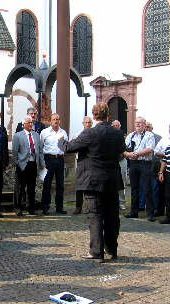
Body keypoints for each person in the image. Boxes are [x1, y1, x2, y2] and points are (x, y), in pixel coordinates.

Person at [60, 102, 125, 263]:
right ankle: (111, 249)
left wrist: (61, 140)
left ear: (94, 116)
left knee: (95, 216)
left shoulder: (90, 133)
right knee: (112, 216)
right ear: (108, 115)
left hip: (92, 181)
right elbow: (121, 153)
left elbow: (69, 147)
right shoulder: (117, 133)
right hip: (111, 180)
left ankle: (96, 251)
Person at [124, 117, 156, 222]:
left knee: (147, 188)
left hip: (145, 163)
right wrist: (128, 154)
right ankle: (134, 211)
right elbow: (123, 148)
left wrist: (137, 153)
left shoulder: (149, 135)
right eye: (136, 122)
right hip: (133, 163)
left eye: (140, 123)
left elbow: (150, 148)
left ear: (144, 124)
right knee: (134, 188)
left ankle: (150, 213)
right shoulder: (130, 135)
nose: (138, 124)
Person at [12, 115, 45, 216]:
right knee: (20, 188)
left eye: (31, 122)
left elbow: (39, 150)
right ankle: (18, 208)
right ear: (23, 125)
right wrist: (17, 163)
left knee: (31, 187)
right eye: (28, 123)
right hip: (22, 164)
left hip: (33, 164)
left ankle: (30, 207)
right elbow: (14, 152)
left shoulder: (36, 135)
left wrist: (42, 163)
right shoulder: (18, 135)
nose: (31, 124)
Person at [39, 113, 68, 215]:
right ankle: (45, 207)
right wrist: (42, 162)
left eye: (57, 119)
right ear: (50, 121)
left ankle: (59, 207)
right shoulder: (44, 132)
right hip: (49, 159)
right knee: (47, 184)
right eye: (54, 119)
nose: (56, 121)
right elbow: (40, 147)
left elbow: (65, 147)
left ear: (59, 121)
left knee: (60, 184)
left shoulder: (63, 132)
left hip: (60, 159)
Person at [153, 122, 170, 216]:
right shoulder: (164, 140)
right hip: (164, 167)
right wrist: (167, 154)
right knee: (161, 190)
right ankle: (160, 210)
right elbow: (156, 151)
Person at [71, 116, 92, 214]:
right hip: (80, 161)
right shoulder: (77, 134)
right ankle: (78, 206)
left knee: (89, 185)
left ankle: (89, 206)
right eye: (86, 122)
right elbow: (73, 146)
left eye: (89, 122)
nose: (88, 124)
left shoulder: (94, 134)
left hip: (91, 162)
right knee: (79, 184)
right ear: (83, 123)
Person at [111, 120, 127, 210]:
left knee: (122, 182)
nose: (116, 127)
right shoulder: (108, 135)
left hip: (121, 160)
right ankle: (113, 202)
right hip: (112, 161)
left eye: (117, 125)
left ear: (120, 126)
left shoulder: (122, 135)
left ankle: (121, 202)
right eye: (114, 125)